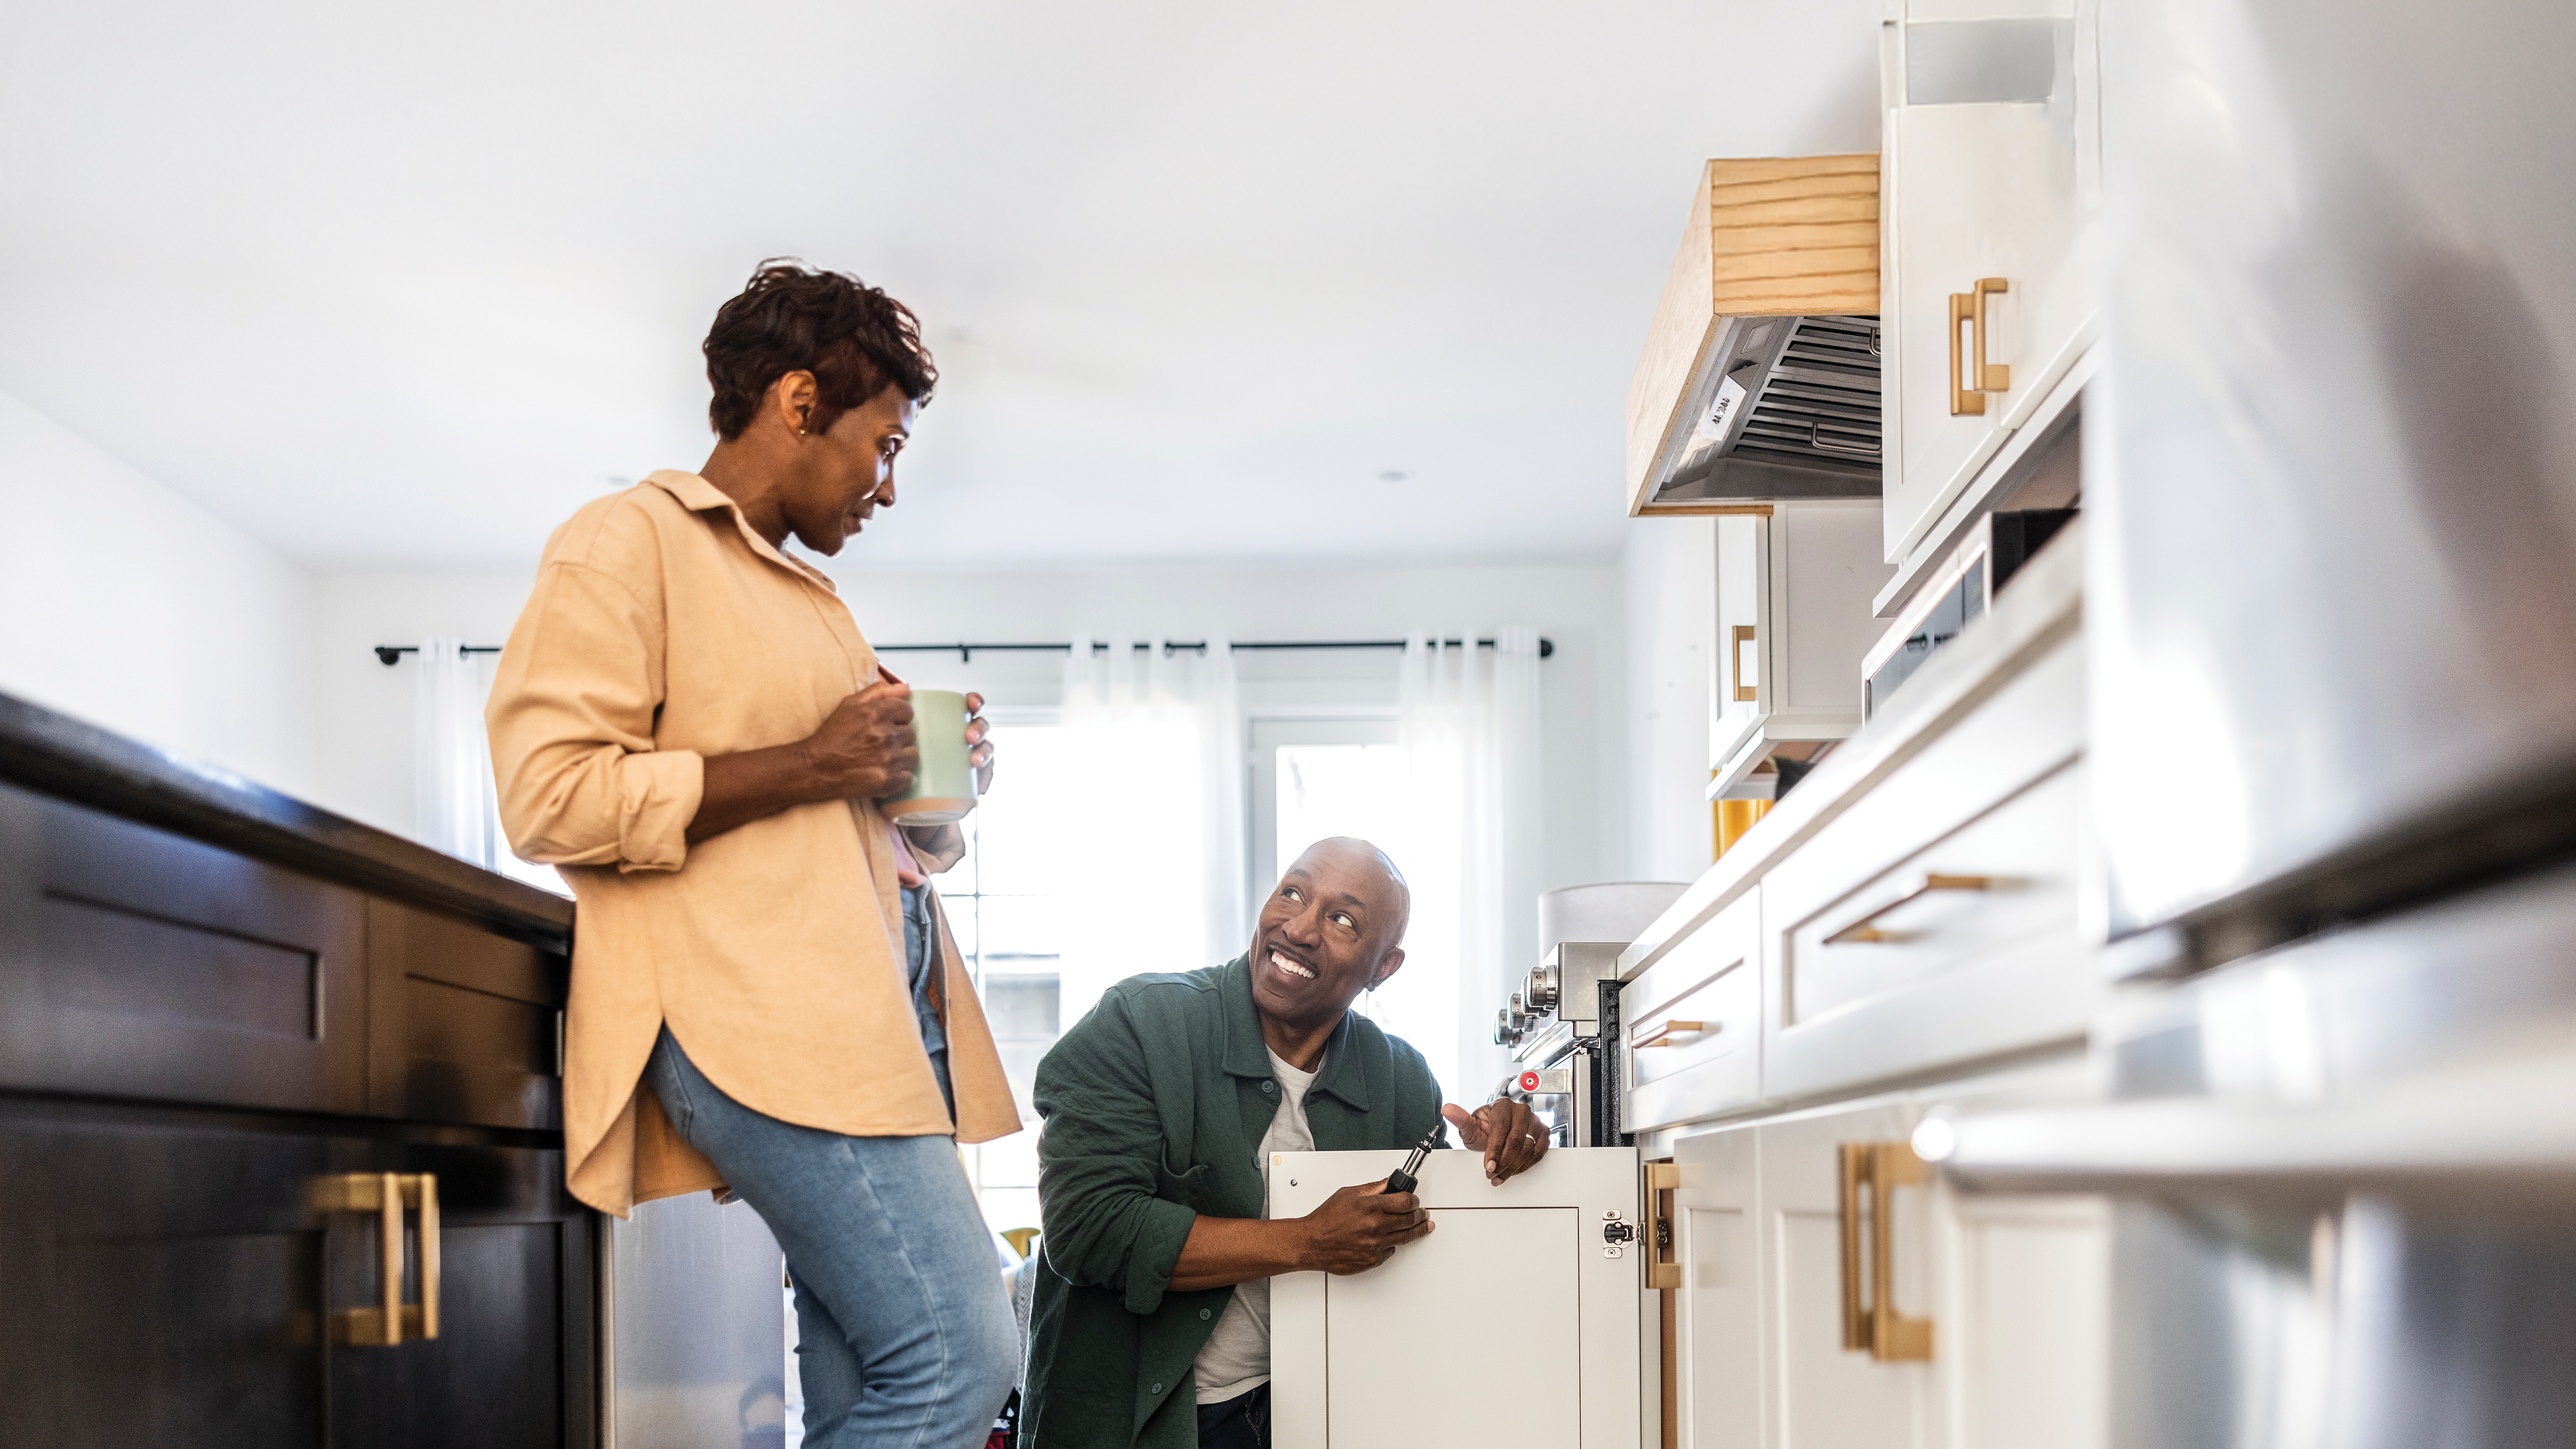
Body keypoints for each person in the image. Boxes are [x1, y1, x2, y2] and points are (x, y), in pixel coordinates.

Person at [487, 260, 1021, 1447]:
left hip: (864, 1019)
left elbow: (857, 822)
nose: (887, 485)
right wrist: (818, 761)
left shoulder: (806, 596)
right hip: (760, 1021)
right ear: (794, 400)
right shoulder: (627, 541)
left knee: (869, 1379)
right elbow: (548, 795)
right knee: (961, 1359)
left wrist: (933, 788)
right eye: (881, 444)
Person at [1020, 838, 1553, 1449]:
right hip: (1145, 1423)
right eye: (1292, 892)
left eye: (1341, 919)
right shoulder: (1138, 1022)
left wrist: (1499, 1156)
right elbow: (1088, 1228)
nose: (1298, 928)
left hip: (1318, 1410)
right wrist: (1307, 1240)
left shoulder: (1400, 1077)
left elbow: (1427, 1247)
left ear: (1383, 966)